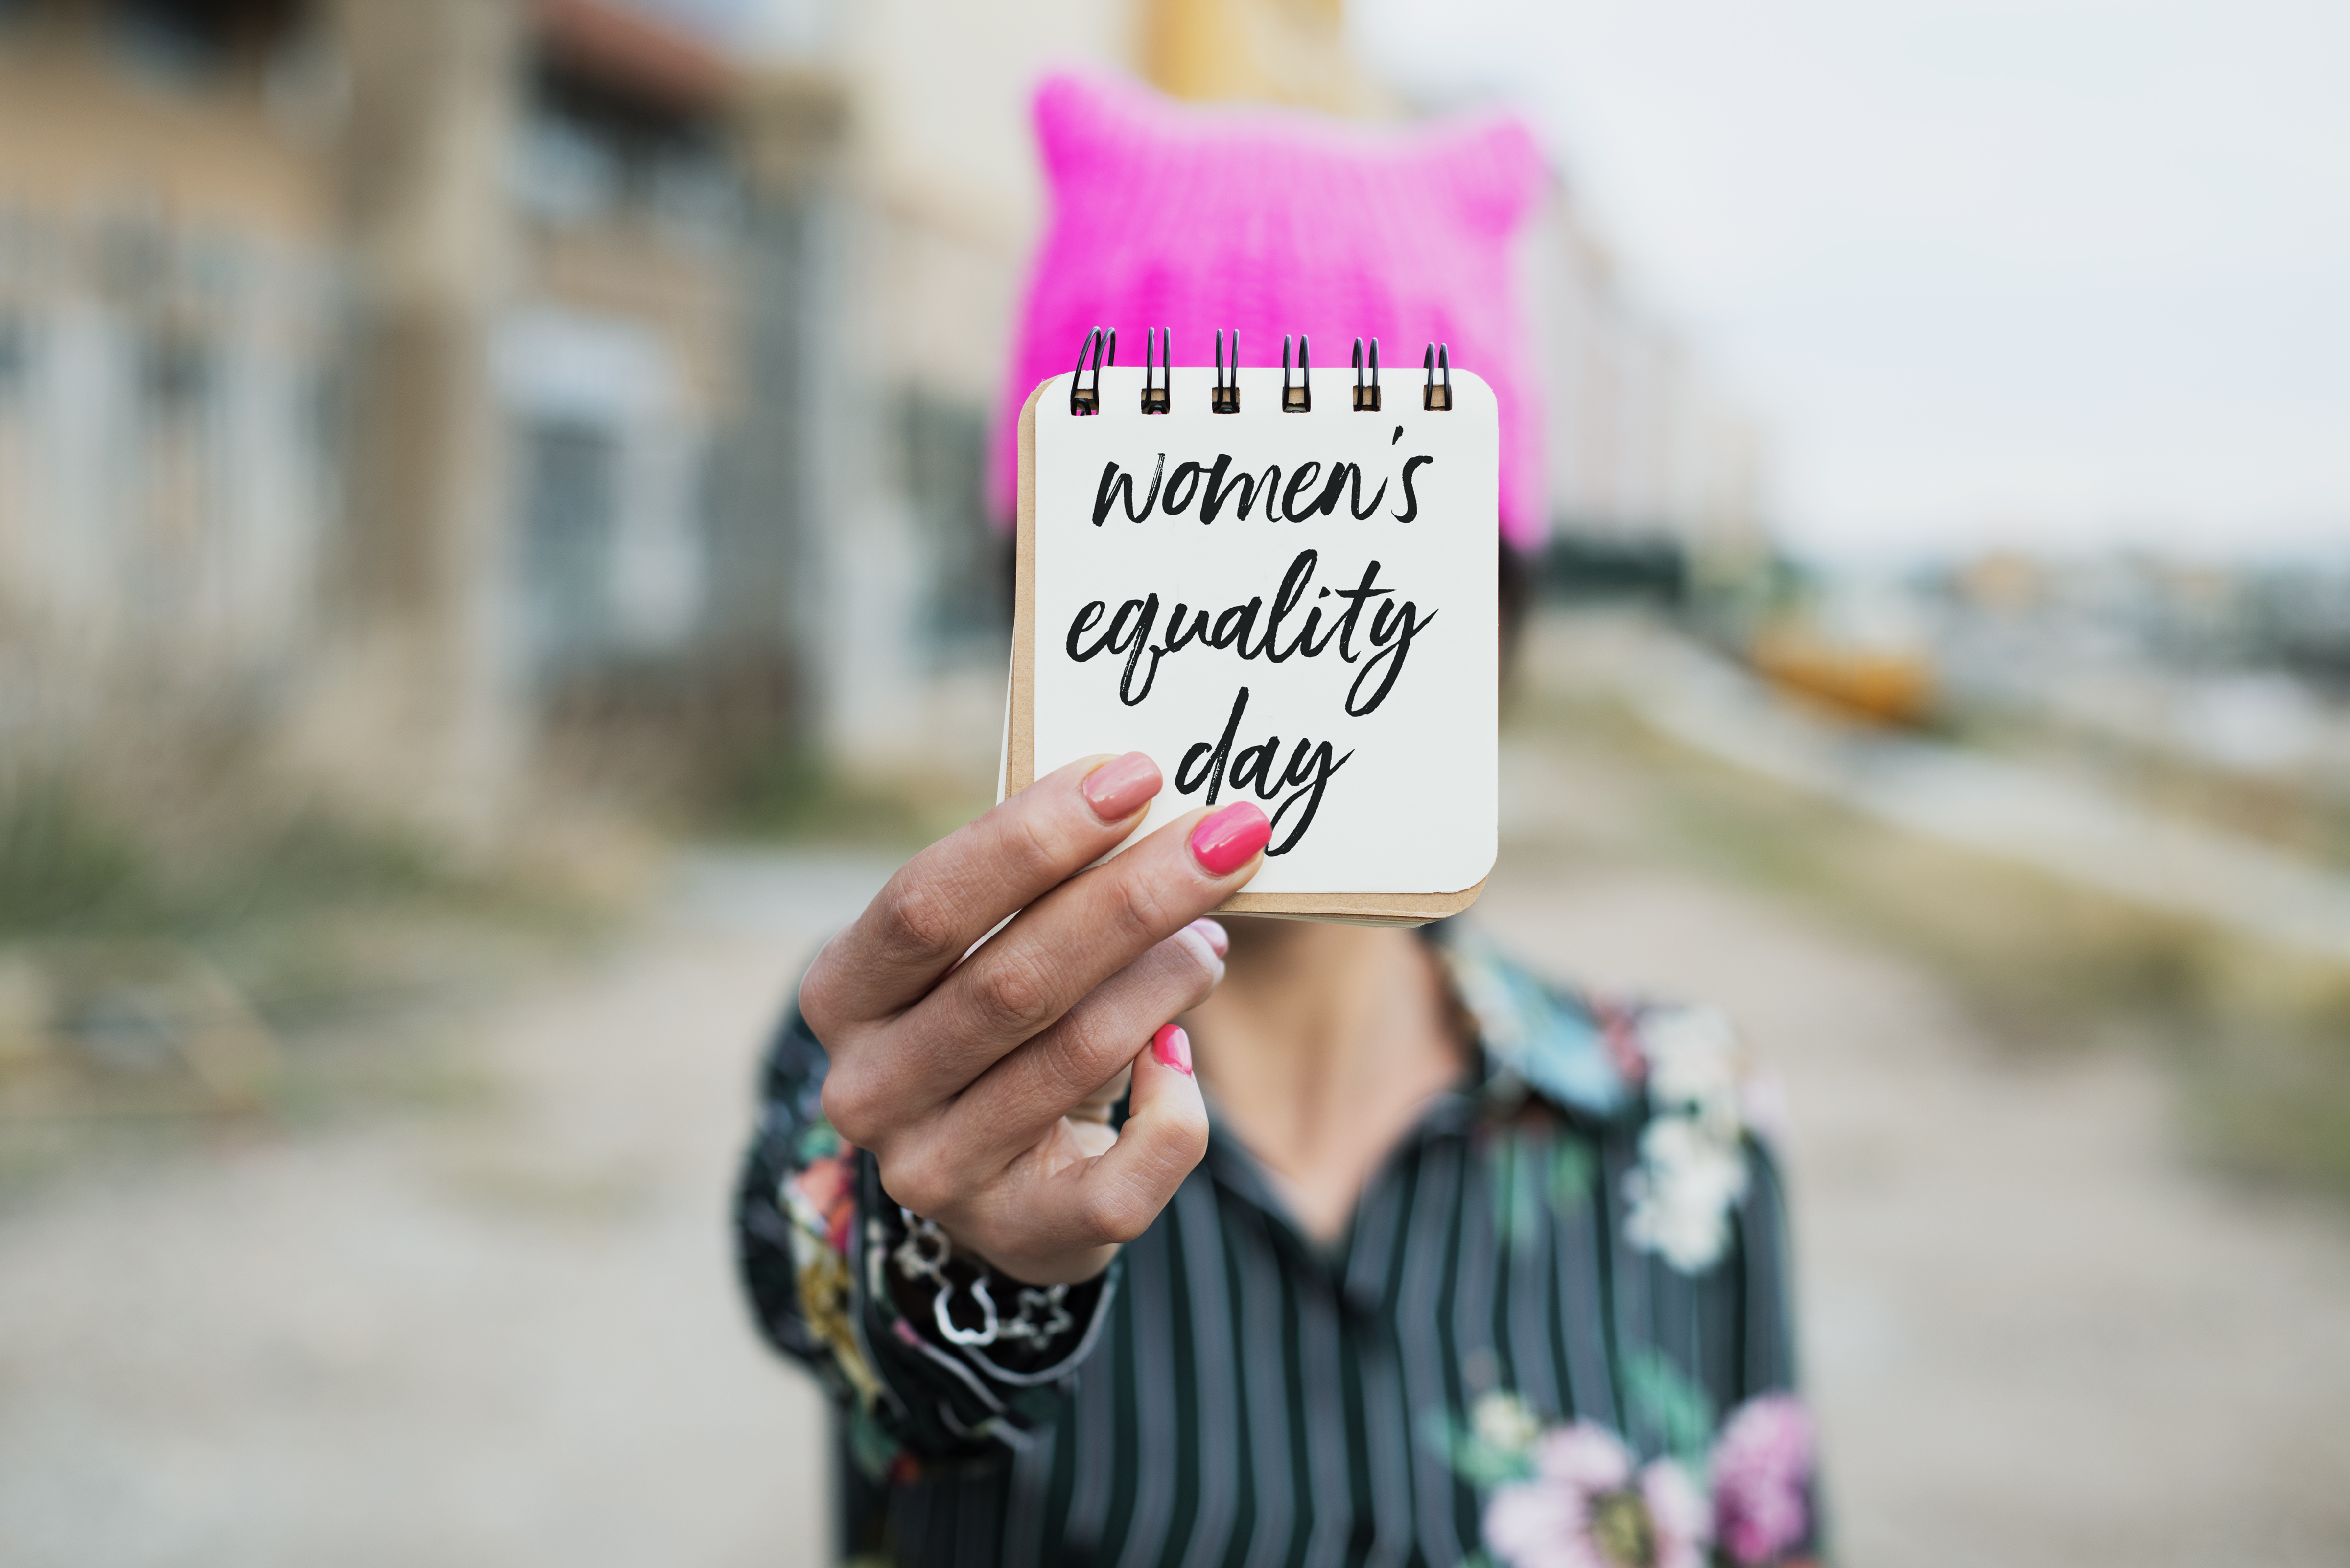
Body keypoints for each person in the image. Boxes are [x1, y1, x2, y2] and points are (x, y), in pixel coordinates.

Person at [737, 74, 1819, 1568]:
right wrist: (955, 1252)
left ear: (1496, 614)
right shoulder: (903, 1074)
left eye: (1361, 545)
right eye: (1178, 536)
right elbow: (828, 1275)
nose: (1262, 629)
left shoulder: (1687, 1122)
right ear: (1036, 603)